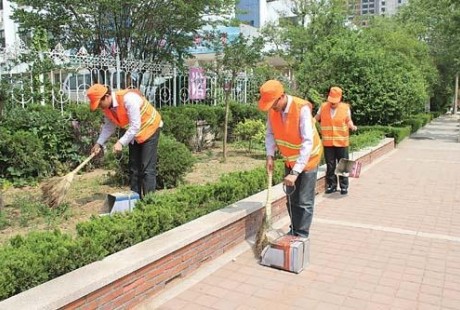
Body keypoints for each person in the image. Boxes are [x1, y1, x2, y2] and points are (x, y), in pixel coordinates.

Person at [258, 80, 323, 238]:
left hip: (308, 160)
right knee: (291, 198)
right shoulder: (273, 111)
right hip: (289, 160)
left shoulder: (302, 109)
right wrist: (270, 155)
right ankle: (294, 229)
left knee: (304, 201)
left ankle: (301, 235)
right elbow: (270, 134)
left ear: (281, 97)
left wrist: (295, 172)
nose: (271, 107)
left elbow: (307, 142)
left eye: (273, 103)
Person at [86, 84, 162, 199]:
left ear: (106, 96)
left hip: (150, 128)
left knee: (147, 169)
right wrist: (98, 143)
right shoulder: (107, 108)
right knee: (133, 169)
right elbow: (109, 126)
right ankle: (135, 201)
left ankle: (149, 203)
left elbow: (135, 125)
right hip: (134, 134)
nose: (99, 107)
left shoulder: (128, 99)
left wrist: (121, 142)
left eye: (99, 103)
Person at [315, 86, 357, 195]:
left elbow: (348, 120)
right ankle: (331, 185)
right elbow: (316, 118)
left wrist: (352, 126)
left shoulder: (345, 108)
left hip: (342, 141)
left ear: (340, 99)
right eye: (331, 101)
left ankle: (344, 187)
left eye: (335, 102)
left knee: (344, 164)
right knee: (330, 165)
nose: (332, 104)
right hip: (328, 142)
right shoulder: (323, 107)